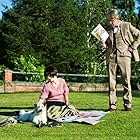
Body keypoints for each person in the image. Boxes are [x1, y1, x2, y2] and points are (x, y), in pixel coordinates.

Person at [100, 9, 140, 112]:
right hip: (111, 57)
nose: (110, 23)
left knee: (126, 81)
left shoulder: (126, 25)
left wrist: (133, 46)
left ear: (117, 18)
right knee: (111, 82)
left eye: (111, 20)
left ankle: (128, 105)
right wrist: (103, 45)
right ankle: (112, 105)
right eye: (108, 20)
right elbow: (106, 44)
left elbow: (139, 34)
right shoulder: (106, 29)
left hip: (125, 56)